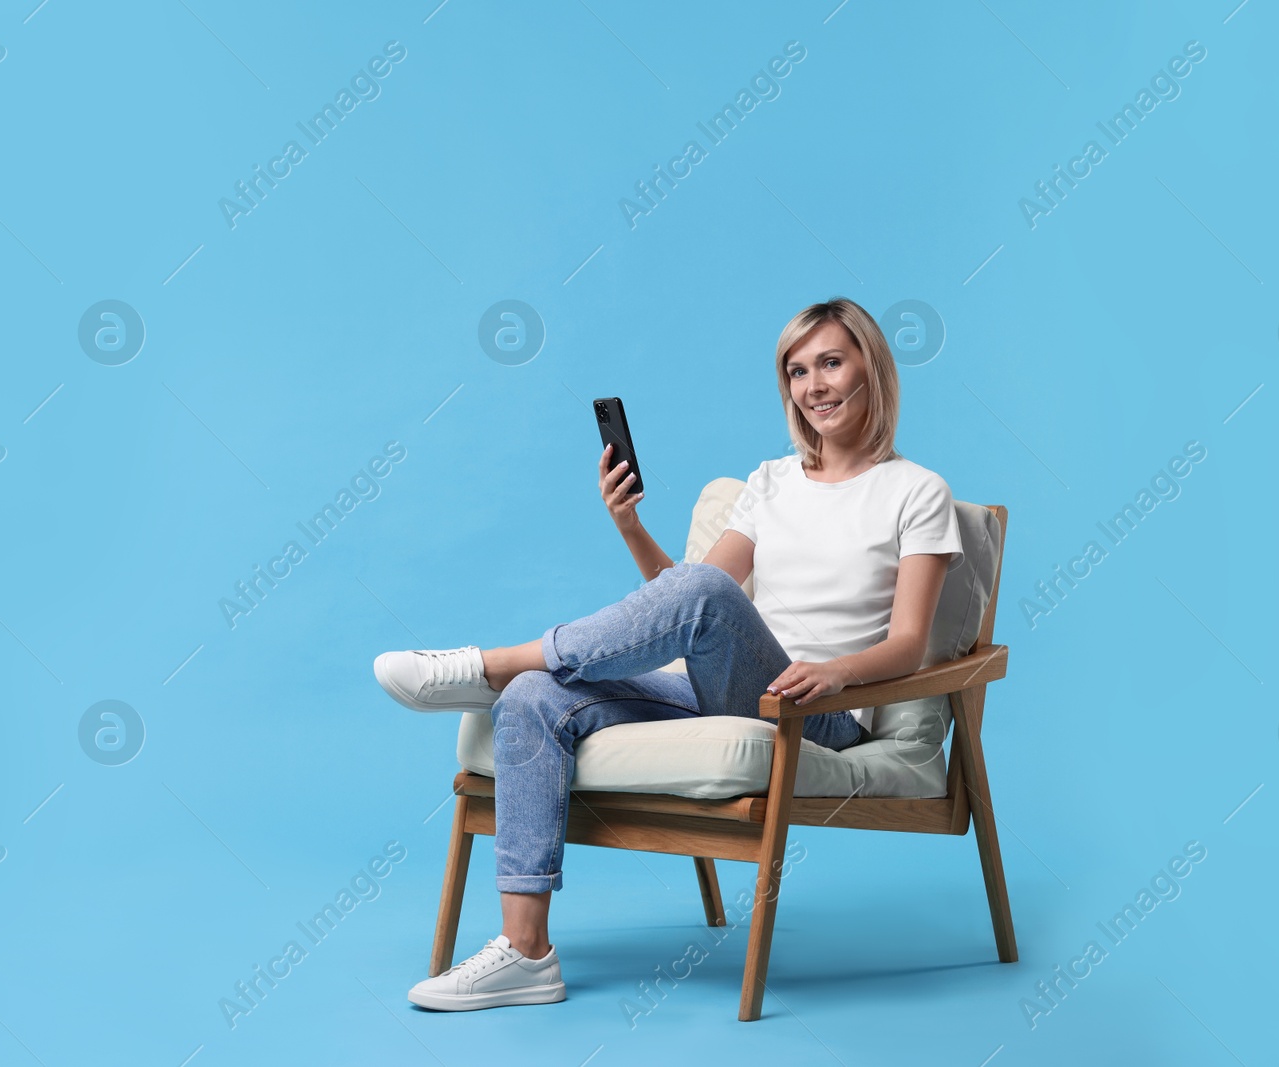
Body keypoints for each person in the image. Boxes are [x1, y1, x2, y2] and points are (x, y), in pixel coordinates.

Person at [373, 296, 965, 1011]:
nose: (814, 385)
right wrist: (629, 525)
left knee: (675, 608)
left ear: (872, 364)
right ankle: (527, 952)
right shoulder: (771, 482)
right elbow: (681, 598)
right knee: (535, 697)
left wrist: (834, 670)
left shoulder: (917, 490)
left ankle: (485, 664)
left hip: (816, 709)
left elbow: (907, 642)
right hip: (721, 683)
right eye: (797, 371)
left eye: (831, 362)